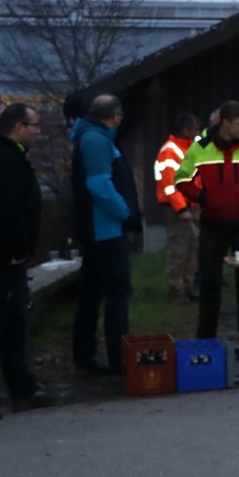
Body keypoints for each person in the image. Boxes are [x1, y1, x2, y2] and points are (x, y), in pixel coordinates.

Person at [0, 103, 51, 421]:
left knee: (14, 323)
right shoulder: (4, 160)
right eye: (34, 125)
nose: (38, 131)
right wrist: (16, 249)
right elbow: (6, 211)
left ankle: (23, 388)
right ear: (17, 127)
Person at [175, 100, 239, 339]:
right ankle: (206, 342)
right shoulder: (201, 148)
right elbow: (181, 178)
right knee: (209, 286)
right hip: (212, 226)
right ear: (226, 123)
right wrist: (203, 197)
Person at [71, 94, 142, 374]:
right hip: (106, 231)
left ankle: (87, 356)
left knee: (92, 293)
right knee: (115, 295)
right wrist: (125, 212)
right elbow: (99, 184)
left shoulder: (91, 136)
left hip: (99, 230)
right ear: (115, 117)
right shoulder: (97, 141)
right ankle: (116, 359)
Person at [154, 112, 201, 303]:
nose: (198, 133)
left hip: (191, 205)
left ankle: (187, 287)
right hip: (177, 209)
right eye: (195, 129)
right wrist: (182, 209)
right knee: (179, 251)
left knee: (192, 250)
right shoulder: (170, 152)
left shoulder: (191, 146)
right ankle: (176, 290)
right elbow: (169, 185)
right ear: (185, 130)